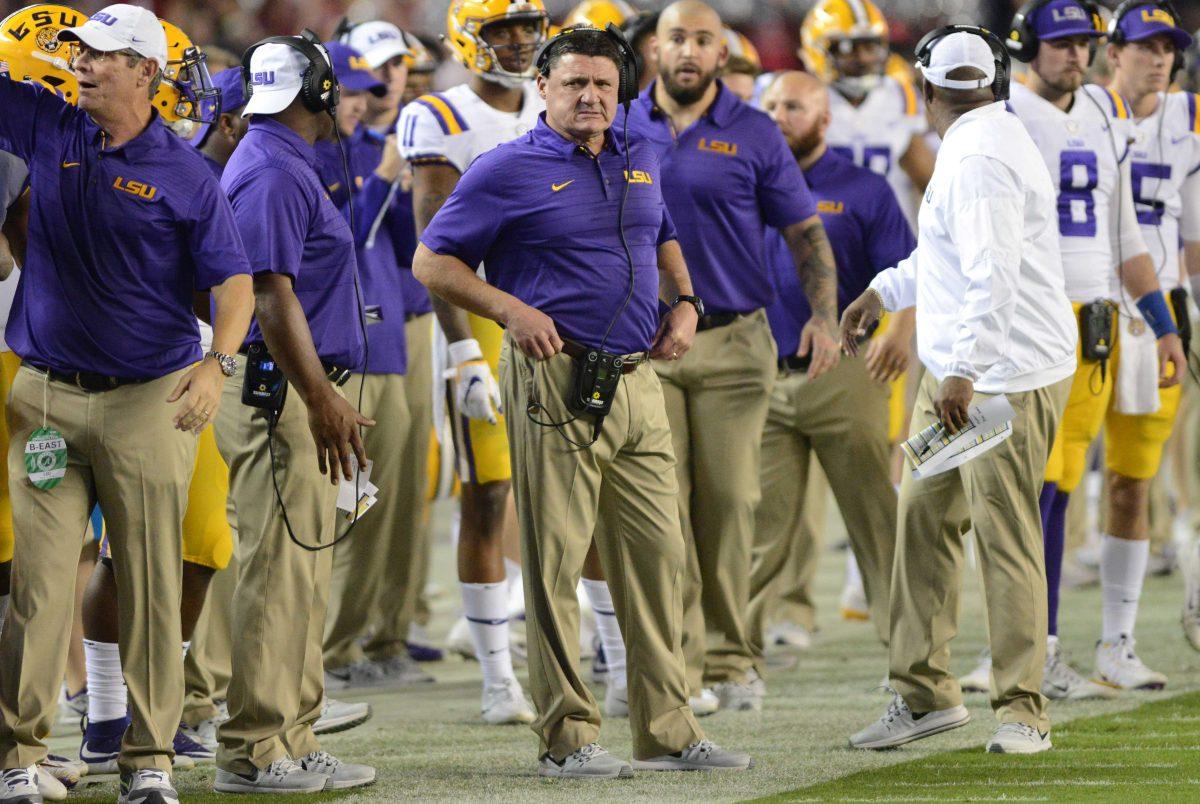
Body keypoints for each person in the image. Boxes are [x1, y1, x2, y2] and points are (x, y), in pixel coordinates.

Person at [413, 24, 750, 779]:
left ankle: (668, 729)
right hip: (556, 379)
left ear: (620, 88)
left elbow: (660, 230)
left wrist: (688, 301)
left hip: (637, 378)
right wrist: (508, 310)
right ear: (543, 89)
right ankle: (567, 738)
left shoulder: (639, 152)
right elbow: (432, 260)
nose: (591, 96)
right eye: (574, 84)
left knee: (662, 562)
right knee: (556, 563)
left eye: (603, 83)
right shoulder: (506, 168)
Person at [0, 4, 255, 801]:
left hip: (148, 400)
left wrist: (217, 363)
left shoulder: (186, 174)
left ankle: (149, 762)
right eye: (81, 51)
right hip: (44, 397)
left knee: (148, 586)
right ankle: (19, 758)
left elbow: (235, 282)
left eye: (104, 55)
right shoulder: (51, 126)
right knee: (38, 589)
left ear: (146, 71)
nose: (83, 63)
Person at [842, 27, 1076, 755]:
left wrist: (965, 371)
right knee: (924, 518)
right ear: (995, 82)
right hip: (972, 369)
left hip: (994, 378)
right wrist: (885, 288)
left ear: (927, 88)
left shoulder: (976, 156)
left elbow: (993, 272)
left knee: (1004, 537)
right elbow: (950, 256)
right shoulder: (984, 138)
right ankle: (924, 695)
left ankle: (1023, 709)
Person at [623, 0, 838, 713]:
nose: (689, 50)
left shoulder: (755, 130)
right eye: (676, 37)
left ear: (723, 55)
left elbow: (806, 233)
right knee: (662, 510)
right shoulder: (619, 123)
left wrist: (825, 315)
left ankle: (733, 654)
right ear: (653, 49)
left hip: (736, 340)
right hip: (646, 345)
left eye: (703, 40)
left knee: (732, 501)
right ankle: (674, 667)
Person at [982, 0, 1187, 698]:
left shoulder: (1101, 113)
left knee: (1057, 492)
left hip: (1098, 318)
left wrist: (1162, 323)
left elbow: (1125, 233)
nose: (1075, 53)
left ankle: (1037, 650)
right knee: (1027, 492)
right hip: (1033, 319)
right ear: (1026, 45)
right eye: (1061, 42)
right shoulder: (1001, 113)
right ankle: (1017, 651)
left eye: (1082, 43)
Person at [211, 34, 374, 794]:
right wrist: (321, 397)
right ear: (321, 93)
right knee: (277, 575)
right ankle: (253, 749)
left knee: (300, 574)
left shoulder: (279, 157)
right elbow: (269, 296)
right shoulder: (275, 170)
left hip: (296, 392)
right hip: (283, 394)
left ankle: (294, 734)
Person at [398, 0, 550, 726]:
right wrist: (463, 350)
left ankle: (594, 651)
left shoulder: (559, 94)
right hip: (483, 324)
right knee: (487, 492)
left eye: (527, 26)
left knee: (568, 489)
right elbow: (436, 252)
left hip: (561, 314)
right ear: (467, 37)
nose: (520, 42)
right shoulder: (441, 116)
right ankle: (497, 678)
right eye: (502, 30)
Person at [746, 71, 914, 669]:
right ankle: (735, 661)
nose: (777, 115)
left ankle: (911, 660)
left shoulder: (863, 188)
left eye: (792, 105)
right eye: (768, 105)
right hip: (762, 371)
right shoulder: (744, 183)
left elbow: (909, 273)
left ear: (824, 118)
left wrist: (900, 333)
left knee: (873, 519)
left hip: (844, 368)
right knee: (760, 526)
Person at [315, 33, 437, 688]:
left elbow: (408, 247)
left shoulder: (369, 150)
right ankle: (332, 649)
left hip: (387, 335)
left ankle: (368, 641)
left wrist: (414, 184)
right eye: (351, 92)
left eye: (366, 92)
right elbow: (341, 238)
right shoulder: (304, 158)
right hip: (346, 348)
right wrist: (387, 177)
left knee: (388, 503)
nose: (362, 104)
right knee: (348, 505)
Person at [1100, 0, 1200, 682]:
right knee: (1043, 488)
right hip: (1079, 314)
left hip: (1159, 316)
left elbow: (1191, 237)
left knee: (1133, 483)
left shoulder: (1188, 119)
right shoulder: (1077, 113)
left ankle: (1117, 643)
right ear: (1114, 54)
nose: (1160, 58)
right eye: (1145, 47)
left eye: (1168, 47)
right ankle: (1020, 645)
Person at [800, 0, 936, 229]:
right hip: (824, 232)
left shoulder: (899, 95)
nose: (862, 58)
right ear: (817, 50)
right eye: (847, 48)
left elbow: (931, 184)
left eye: (870, 46)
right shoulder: (799, 98)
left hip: (888, 234)